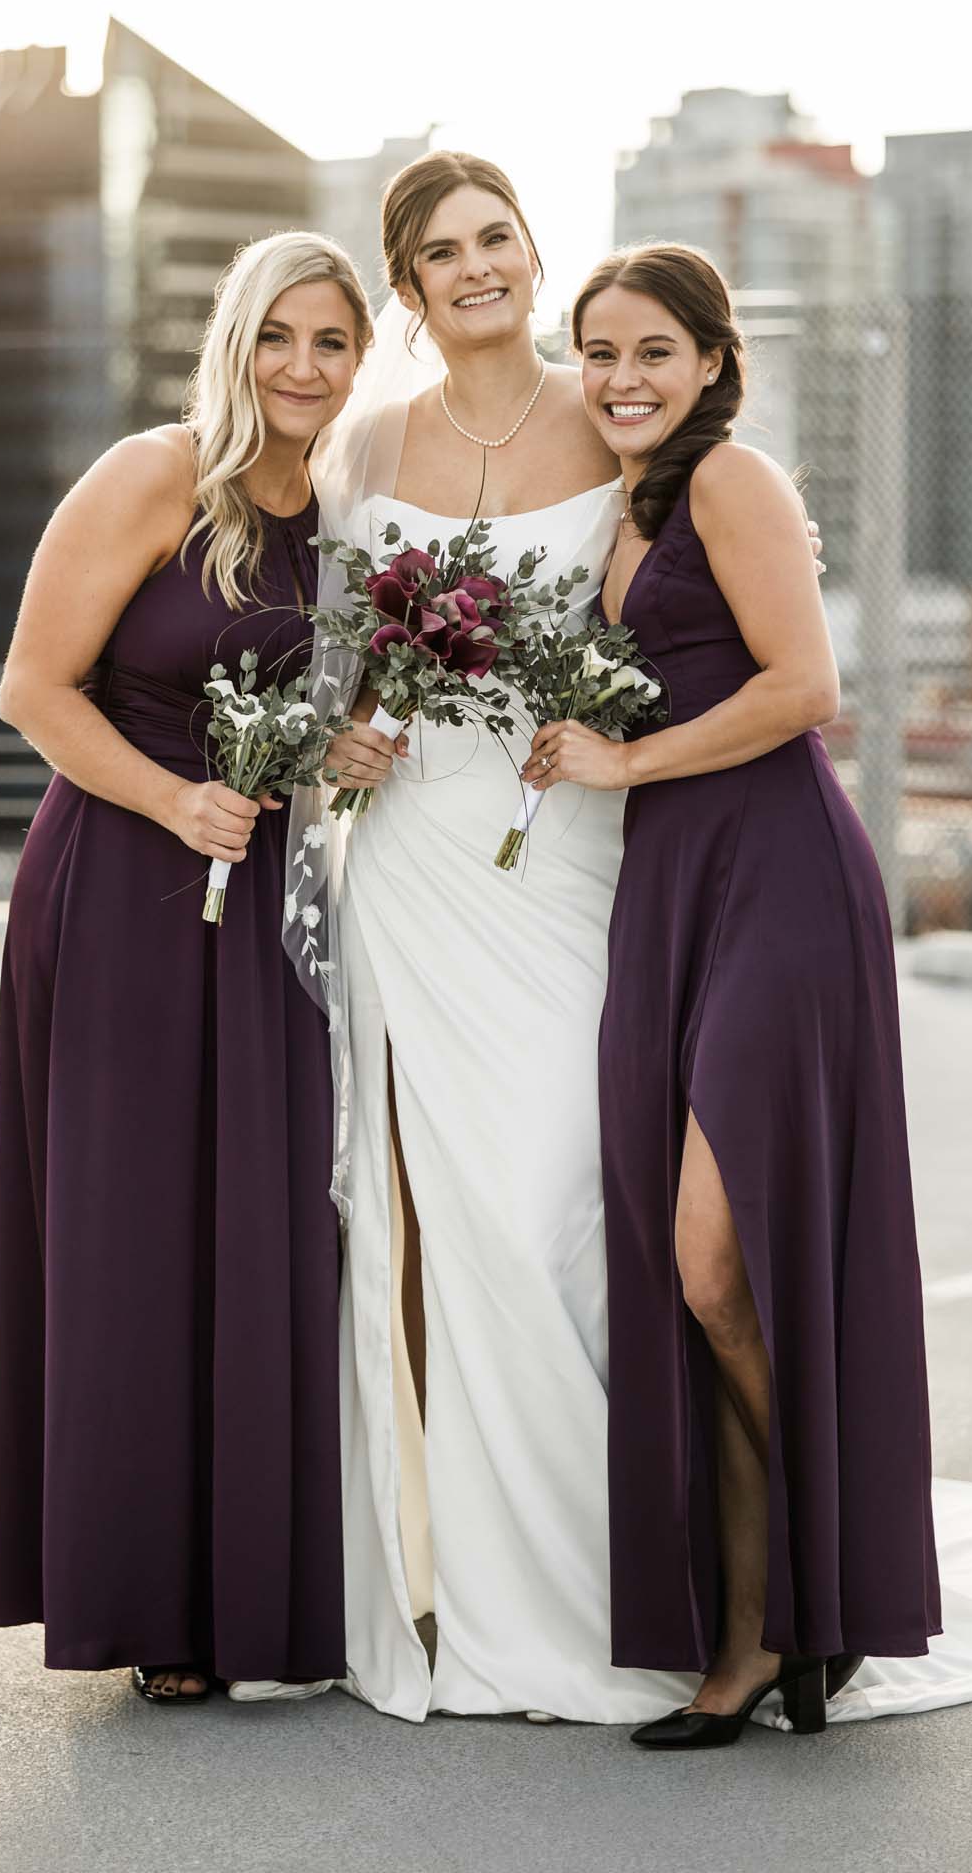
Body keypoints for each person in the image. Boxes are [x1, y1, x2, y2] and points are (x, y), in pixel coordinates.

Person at [306, 153, 823, 1723]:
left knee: (557, 1213)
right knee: (430, 1227)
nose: (477, 268)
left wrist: (600, 745)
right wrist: (345, 739)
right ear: (406, 289)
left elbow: (673, 637)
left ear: (534, 252)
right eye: (442, 253)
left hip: (573, 857)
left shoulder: (615, 426)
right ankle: (457, 1584)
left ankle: (641, 1577)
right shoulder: (359, 448)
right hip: (411, 868)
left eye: (497, 238)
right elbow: (345, 673)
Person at [529, 242, 939, 1746]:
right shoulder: (622, 509)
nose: (621, 379)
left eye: (651, 351)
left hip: (775, 875)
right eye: (599, 353)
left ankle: (810, 1590)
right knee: (698, 1278)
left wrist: (621, 758)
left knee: (715, 1261)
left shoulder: (731, 484)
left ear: (709, 361)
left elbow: (802, 686)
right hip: (666, 885)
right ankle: (771, 1622)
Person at [0, 231, 370, 1703]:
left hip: (265, 893)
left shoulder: (342, 520)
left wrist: (340, 748)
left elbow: (305, 710)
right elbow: (33, 686)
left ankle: (262, 1588)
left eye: (330, 341)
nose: (301, 368)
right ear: (232, 340)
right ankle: (152, 1604)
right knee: (134, 1239)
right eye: (277, 335)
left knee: (262, 1226)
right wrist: (167, 798)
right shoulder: (155, 474)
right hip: (122, 886)